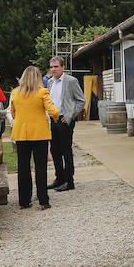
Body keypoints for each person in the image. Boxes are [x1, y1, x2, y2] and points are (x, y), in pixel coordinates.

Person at [9, 65, 60, 210]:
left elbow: (13, 113)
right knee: (40, 167)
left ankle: (24, 200)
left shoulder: (15, 93)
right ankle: (43, 200)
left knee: (23, 167)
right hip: (40, 133)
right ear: (38, 78)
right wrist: (56, 118)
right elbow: (53, 111)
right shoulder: (42, 92)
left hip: (21, 133)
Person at [46, 57, 85, 191]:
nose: (53, 69)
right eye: (51, 67)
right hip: (53, 119)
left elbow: (81, 101)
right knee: (54, 150)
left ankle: (69, 181)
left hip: (65, 120)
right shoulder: (50, 82)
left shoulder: (71, 81)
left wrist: (70, 116)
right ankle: (59, 178)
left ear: (63, 67)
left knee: (66, 150)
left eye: (56, 67)